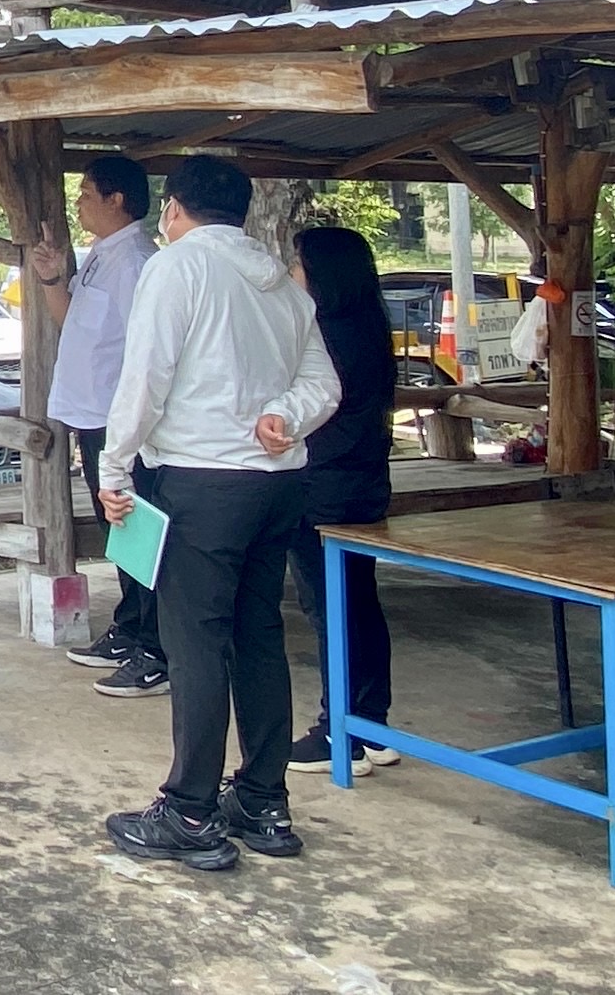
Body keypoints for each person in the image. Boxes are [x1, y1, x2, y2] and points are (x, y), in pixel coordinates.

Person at [97, 156, 340, 872]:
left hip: (201, 480)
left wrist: (114, 465)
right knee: (258, 635)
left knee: (196, 642)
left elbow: (146, 374)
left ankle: (190, 809)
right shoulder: (280, 283)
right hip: (276, 483)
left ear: (173, 209)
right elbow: (324, 381)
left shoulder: (177, 268)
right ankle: (262, 800)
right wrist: (284, 415)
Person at [31, 155, 166, 698]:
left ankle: (155, 646)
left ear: (117, 200)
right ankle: (130, 628)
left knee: (138, 531)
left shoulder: (137, 262)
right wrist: (50, 277)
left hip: (122, 422)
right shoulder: (102, 255)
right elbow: (72, 322)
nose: (79, 202)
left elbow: (148, 351)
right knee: (120, 534)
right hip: (93, 415)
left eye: (87, 193)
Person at [286, 226, 401, 777]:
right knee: (360, 602)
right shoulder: (371, 327)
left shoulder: (324, 336)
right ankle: (372, 724)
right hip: (365, 484)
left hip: (323, 488)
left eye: (298, 263)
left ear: (322, 274)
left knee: (329, 607)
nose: (291, 272)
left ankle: (340, 732)